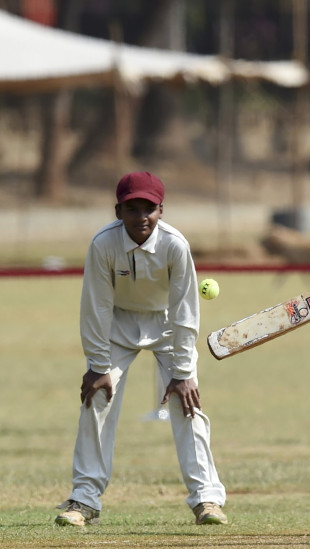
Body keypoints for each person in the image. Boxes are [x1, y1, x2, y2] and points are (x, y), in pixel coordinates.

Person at [55, 172, 227, 527]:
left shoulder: (175, 245)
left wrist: (182, 373)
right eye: (132, 208)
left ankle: (207, 500)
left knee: (187, 402)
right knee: (96, 399)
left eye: (149, 208)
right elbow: (96, 307)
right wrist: (98, 366)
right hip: (118, 324)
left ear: (161, 210)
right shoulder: (103, 244)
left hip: (167, 325)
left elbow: (186, 311)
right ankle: (85, 500)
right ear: (118, 210)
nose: (141, 217)